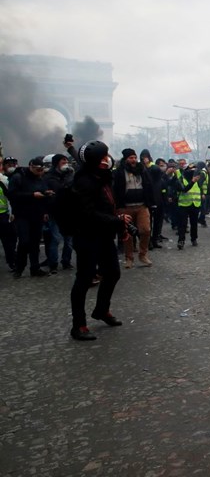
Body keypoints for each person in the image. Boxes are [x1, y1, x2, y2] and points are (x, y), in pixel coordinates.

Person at [70, 141, 126, 341]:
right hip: (87, 236)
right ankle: (79, 325)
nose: (107, 160)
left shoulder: (102, 177)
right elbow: (88, 213)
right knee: (84, 280)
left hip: (104, 235)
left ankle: (102, 310)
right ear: (94, 161)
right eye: (103, 157)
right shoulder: (83, 181)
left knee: (112, 273)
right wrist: (116, 220)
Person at [8, 156, 52, 278]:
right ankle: (19, 268)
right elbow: (13, 195)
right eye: (38, 170)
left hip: (37, 214)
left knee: (35, 242)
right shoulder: (18, 177)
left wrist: (45, 196)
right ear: (31, 166)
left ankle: (35, 267)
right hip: (22, 215)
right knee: (24, 241)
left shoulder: (40, 178)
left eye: (41, 170)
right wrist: (32, 195)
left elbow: (42, 193)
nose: (40, 172)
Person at [113, 148, 154, 268]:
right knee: (127, 234)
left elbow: (148, 185)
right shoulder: (119, 172)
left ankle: (143, 254)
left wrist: (151, 202)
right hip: (125, 207)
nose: (134, 160)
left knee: (145, 230)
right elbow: (115, 189)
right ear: (126, 159)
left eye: (135, 157)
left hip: (142, 205)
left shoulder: (142, 170)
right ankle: (129, 258)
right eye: (131, 158)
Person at [43, 153, 74, 273]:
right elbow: (58, 190)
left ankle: (66, 262)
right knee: (55, 239)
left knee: (69, 240)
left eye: (66, 161)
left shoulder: (70, 175)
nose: (65, 164)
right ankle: (53, 264)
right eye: (63, 161)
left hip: (69, 211)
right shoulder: (49, 177)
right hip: (55, 211)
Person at [174, 163, 204, 250]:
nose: (193, 172)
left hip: (195, 204)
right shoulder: (181, 179)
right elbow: (184, 189)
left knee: (194, 223)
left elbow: (200, 189)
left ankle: (194, 239)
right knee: (182, 224)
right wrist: (192, 182)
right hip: (183, 205)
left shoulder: (198, 180)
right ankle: (181, 240)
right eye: (191, 170)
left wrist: (202, 195)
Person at [0, 158, 17, 272]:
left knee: (8, 240)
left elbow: (10, 198)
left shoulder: (4, 180)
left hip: (3, 215)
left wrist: (11, 213)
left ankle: (11, 261)